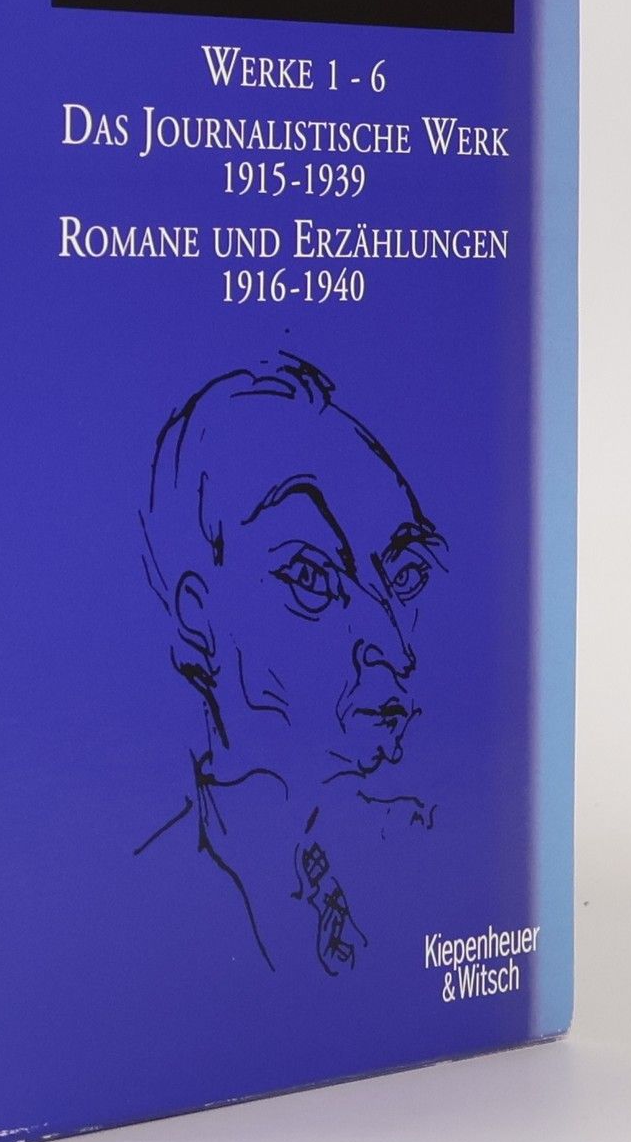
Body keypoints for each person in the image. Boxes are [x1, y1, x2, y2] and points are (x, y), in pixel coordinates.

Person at [136, 355, 445, 974]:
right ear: (199, 618)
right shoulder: (136, 910)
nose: (393, 646)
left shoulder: (440, 855)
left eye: (404, 575)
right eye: (310, 576)